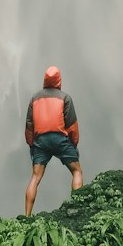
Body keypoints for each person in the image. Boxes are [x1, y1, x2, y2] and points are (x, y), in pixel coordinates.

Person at [24, 65, 82, 215]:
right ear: (59, 80)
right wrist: (73, 144)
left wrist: (31, 144)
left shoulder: (34, 98)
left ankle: (27, 216)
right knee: (76, 171)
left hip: (40, 140)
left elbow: (29, 125)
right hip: (59, 138)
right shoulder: (65, 98)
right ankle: (76, 208)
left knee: (35, 177)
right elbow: (72, 125)